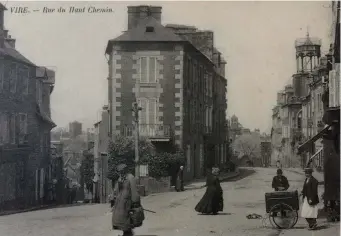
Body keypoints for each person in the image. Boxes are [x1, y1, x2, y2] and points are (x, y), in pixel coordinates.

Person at [111, 164, 142, 236]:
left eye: (121, 171)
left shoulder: (131, 177)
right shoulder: (120, 178)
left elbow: (134, 190)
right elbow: (116, 190)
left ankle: (128, 233)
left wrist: (135, 201)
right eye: (119, 171)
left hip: (127, 201)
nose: (120, 173)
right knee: (121, 218)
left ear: (125, 170)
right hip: (120, 201)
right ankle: (126, 232)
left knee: (127, 218)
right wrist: (113, 198)